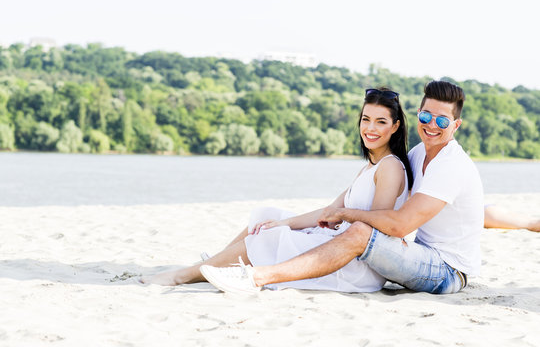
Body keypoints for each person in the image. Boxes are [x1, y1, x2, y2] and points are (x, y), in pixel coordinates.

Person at [200, 80, 484, 295]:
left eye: (442, 120)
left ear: (456, 125)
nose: (432, 125)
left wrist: (348, 215)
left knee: (360, 229)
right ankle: (216, 264)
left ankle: (257, 277)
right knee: (270, 218)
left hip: (447, 271)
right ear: (418, 114)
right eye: (426, 116)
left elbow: (398, 226)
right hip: (418, 253)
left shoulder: (450, 165)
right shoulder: (417, 155)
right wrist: (291, 221)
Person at [141, 87, 414, 292]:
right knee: (266, 218)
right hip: (339, 245)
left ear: (395, 126)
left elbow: (378, 227)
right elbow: (328, 211)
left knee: (270, 238)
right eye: (366, 119)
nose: (370, 128)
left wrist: (342, 215)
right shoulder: (370, 167)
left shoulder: (390, 167)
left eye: (381, 122)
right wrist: (283, 222)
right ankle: (213, 265)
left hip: (354, 264)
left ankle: (184, 275)